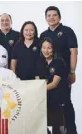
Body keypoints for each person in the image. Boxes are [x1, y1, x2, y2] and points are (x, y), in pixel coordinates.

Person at [40, 6, 78, 134]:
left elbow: (74, 52)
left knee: (65, 102)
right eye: (48, 15)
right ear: (45, 18)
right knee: (50, 103)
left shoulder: (67, 31)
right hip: (48, 73)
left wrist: (72, 71)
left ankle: (71, 130)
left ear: (59, 17)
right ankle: (55, 130)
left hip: (63, 74)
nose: (51, 17)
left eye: (54, 15)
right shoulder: (44, 34)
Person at [36, 37, 68, 134]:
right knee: (43, 127)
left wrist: (41, 88)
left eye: (49, 48)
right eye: (44, 47)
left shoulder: (59, 62)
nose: (46, 50)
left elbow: (54, 84)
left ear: (54, 49)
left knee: (58, 128)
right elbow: (38, 80)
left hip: (56, 100)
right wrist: (40, 86)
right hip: (43, 100)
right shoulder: (39, 62)